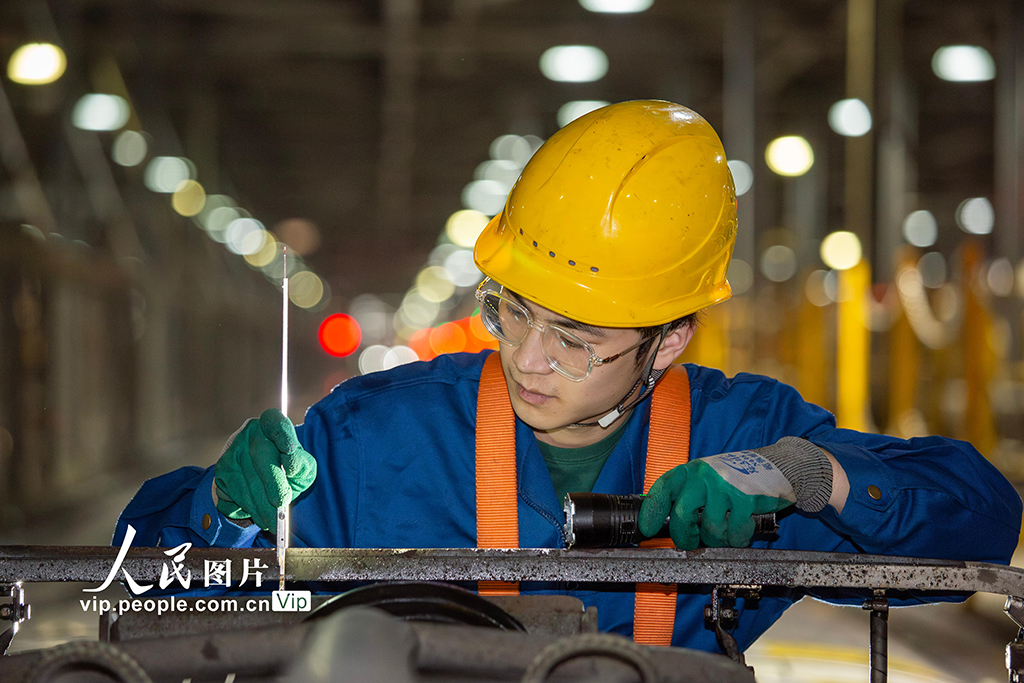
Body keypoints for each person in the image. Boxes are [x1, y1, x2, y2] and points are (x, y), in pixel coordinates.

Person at [115, 100, 1021, 652]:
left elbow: (978, 516)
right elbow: (147, 588)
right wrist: (222, 511)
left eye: (579, 336)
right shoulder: (373, 438)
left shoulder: (738, 439)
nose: (529, 355)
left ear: (668, 341)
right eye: (515, 309)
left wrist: (806, 476)